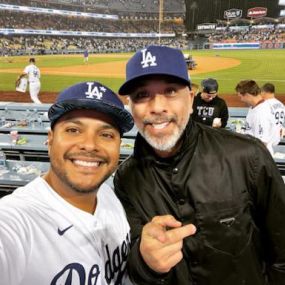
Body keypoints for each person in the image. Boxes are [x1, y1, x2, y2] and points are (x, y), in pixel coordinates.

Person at [114, 45, 285, 285]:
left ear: (191, 99)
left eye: (171, 91)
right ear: (130, 106)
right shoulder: (126, 178)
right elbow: (131, 262)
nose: (157, 107)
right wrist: (145, 262)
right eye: (142, 95)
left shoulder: (247, 155)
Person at [0, 81, 134, 284]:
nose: (89, 145)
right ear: (50, 139)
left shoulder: (109, 194)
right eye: (73, 130)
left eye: (106, 135)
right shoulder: (16, 222)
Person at [236, 80, 281, 155]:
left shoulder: (261, 113)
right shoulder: (255, 107)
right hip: (253, 153)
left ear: (247, 95)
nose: (241, 100)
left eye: (241, 96)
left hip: (259, 158)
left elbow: (262, 143)